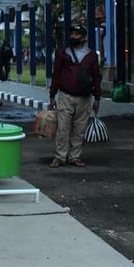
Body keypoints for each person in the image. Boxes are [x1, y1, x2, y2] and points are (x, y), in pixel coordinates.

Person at [48, 25, 101, 168]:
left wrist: (97, 98)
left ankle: (75, 157)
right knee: (63, 128)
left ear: (83, 38)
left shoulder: (91, 56)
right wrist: (52, 95)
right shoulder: (62, 53)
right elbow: (56, 75)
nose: (72, 36)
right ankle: (60, 157)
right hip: (65, 96)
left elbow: (96, 76)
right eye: (72, 33)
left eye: (76, 34)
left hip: (85, 98)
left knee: (80, 129)